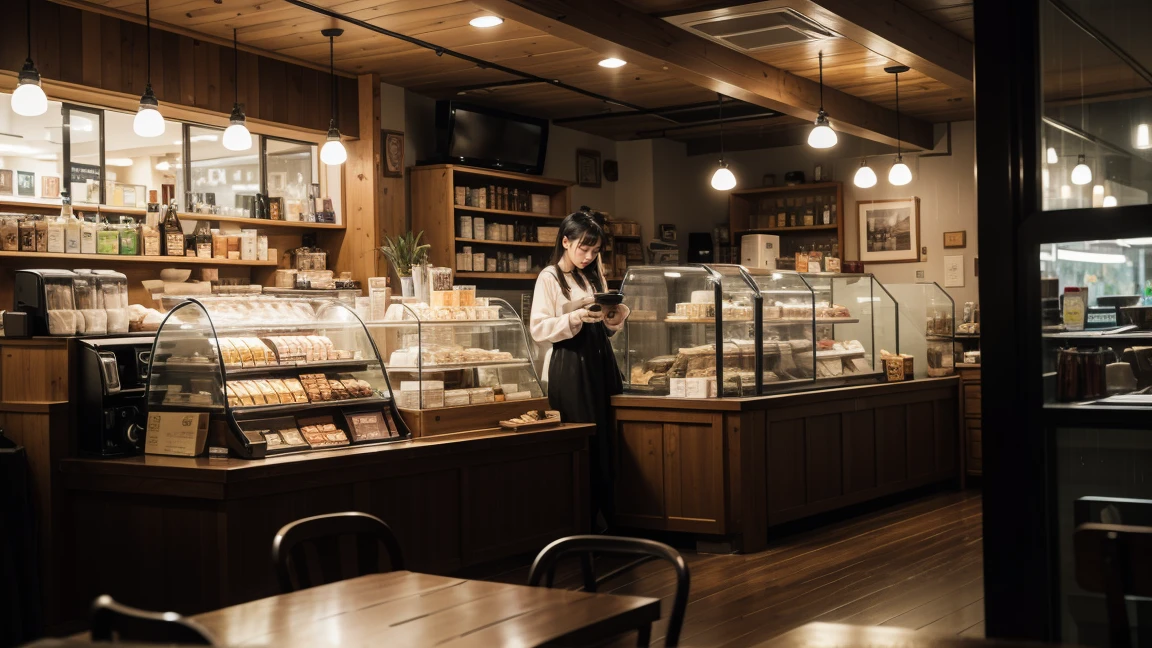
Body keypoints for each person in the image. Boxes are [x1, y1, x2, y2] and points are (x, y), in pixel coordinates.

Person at [530, 211, 629, 532]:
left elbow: (606, 325)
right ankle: (580, 525)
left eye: (595, 250)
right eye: (583, 249)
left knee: (608, 440)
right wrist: (574, 318)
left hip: (601, 360)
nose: (589, 256)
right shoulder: (549, 277)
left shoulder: (593, 276)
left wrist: (614, 318)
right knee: (584, 439)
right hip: (570, 365)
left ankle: (612, 520)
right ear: (565, 242)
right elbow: (538, 328)